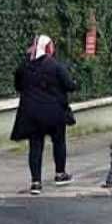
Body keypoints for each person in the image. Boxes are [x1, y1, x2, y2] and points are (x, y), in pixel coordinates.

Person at [10, 35, 78, 195]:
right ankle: (60, 174)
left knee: (35, 146)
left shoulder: (23, 67)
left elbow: (18, 86)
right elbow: (69, 85)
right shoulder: (55, 66)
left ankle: (36, 182)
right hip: (54, 112)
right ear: (47, 48)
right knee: (59, 142)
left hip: (32, 113)